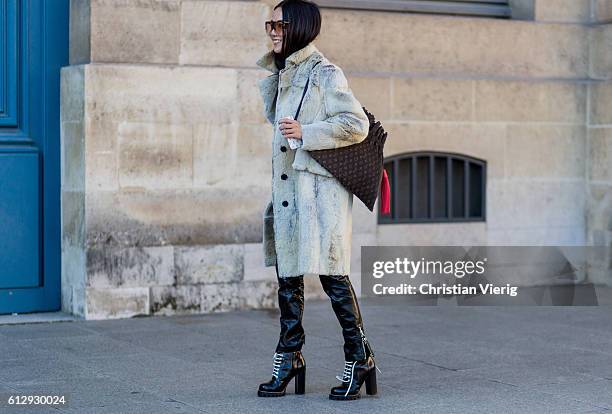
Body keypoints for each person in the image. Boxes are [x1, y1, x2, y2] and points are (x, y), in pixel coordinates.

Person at [255, 0, 379, 401]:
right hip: (290, 196)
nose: (272, 30)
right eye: (269, 24)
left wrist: (307, 131)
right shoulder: (286, 72)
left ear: (300, 27)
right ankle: (289, 356)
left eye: (280, 23)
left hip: (319, 197)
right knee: (288, 280)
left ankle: (359, 357)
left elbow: (355, 124)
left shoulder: (325, 73)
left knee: (333, 278)